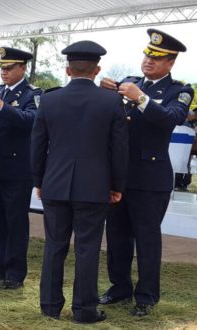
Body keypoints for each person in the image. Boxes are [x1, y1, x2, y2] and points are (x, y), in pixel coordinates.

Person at [99, 29, 194, 317]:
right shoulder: (127, 82)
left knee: (147, 238)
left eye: (158, 58)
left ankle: (147, 295)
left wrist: (140, 98)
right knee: (116, 235)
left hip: (151, 178)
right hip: (119, 175)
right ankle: (120, 287)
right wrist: (103, 95)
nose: (149, 61)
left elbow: (170, 119)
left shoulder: (180, 90)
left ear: (170, 63)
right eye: (147, 55)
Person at [31, 40, 128, 324]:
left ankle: (49, 305)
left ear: (67, 69)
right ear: (97, 70)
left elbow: (37, 145)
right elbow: (119, 150)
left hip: (55, 184)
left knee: (54, 246)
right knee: (87, 249)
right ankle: (84, 310)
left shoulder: (49, 100)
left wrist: (39, 180)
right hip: (94, 186)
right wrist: (117, 186)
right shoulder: (111, 101)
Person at [0, 47, 42, 289]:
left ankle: (14, 271)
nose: (4, 73)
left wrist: (3, 106)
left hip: (17, 168)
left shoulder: (32, 94)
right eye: (2, 69)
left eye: (9, 68)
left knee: (15, 220)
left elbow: (32, 120)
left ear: (22, 68)